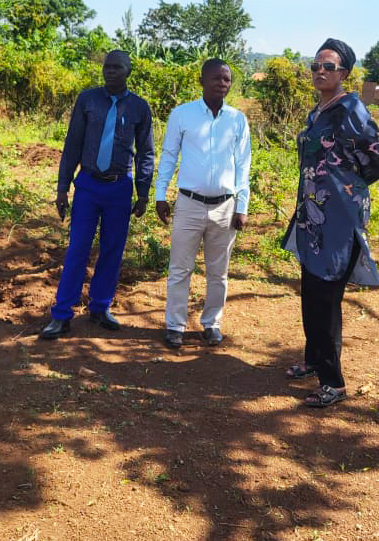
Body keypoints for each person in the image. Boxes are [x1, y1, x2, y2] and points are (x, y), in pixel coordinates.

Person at [282, 38, 379, 407]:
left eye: (329, 66)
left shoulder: (350, 110)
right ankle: (313, 360)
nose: (320, 71)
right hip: (313, 219)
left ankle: (333, 383)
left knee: (326, 299)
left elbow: (374, 162)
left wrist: (344, 190)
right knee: (311, 292)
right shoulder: (319, 111)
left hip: (338, 222)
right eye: (316, 65)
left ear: (344, 73)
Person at [40, 50, 154, 339]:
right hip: (88, 185)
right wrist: (63, 187)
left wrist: (142, 192)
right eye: (107, 67)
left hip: (119, 187)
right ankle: (62, 314)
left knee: (112, 250)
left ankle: (100, 307)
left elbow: (146, 152)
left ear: (128, 71)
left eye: (117, 67)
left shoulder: (139, 107)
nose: (110, 71)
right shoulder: (88, 100)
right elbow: (73, 143)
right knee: (77, 248)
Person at [155, 58, 251, 349]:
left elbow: (243, 165)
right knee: (180, 269)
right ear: (202, 81)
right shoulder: (182, 115)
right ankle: (175, 326)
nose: (222, 83)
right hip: (189, 204)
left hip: (225, 207)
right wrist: (160, 194)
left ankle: (212, 324)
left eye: (226, 79)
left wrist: (242, 206)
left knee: (218, 272)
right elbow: (169, 155)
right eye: (216, 78)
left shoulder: (237, 119)